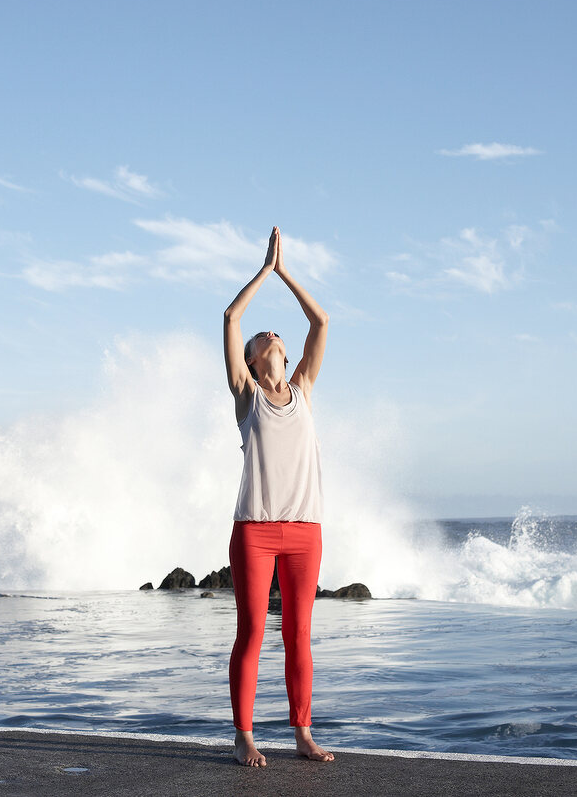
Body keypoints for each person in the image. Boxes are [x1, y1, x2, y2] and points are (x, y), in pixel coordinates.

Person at [223, 225, 335, 768]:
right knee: (251, 633)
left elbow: (322, 321)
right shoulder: (247, 397)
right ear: (249, 358)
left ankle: (302, 732)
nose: (273, 333)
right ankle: (244, 735)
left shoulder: (305, 390)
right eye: (263, 335)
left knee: (299, 635)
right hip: (256, 532)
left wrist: (288, 271)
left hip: (306, 530)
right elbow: (230, 318)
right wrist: (264, 271)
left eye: (278, 335)